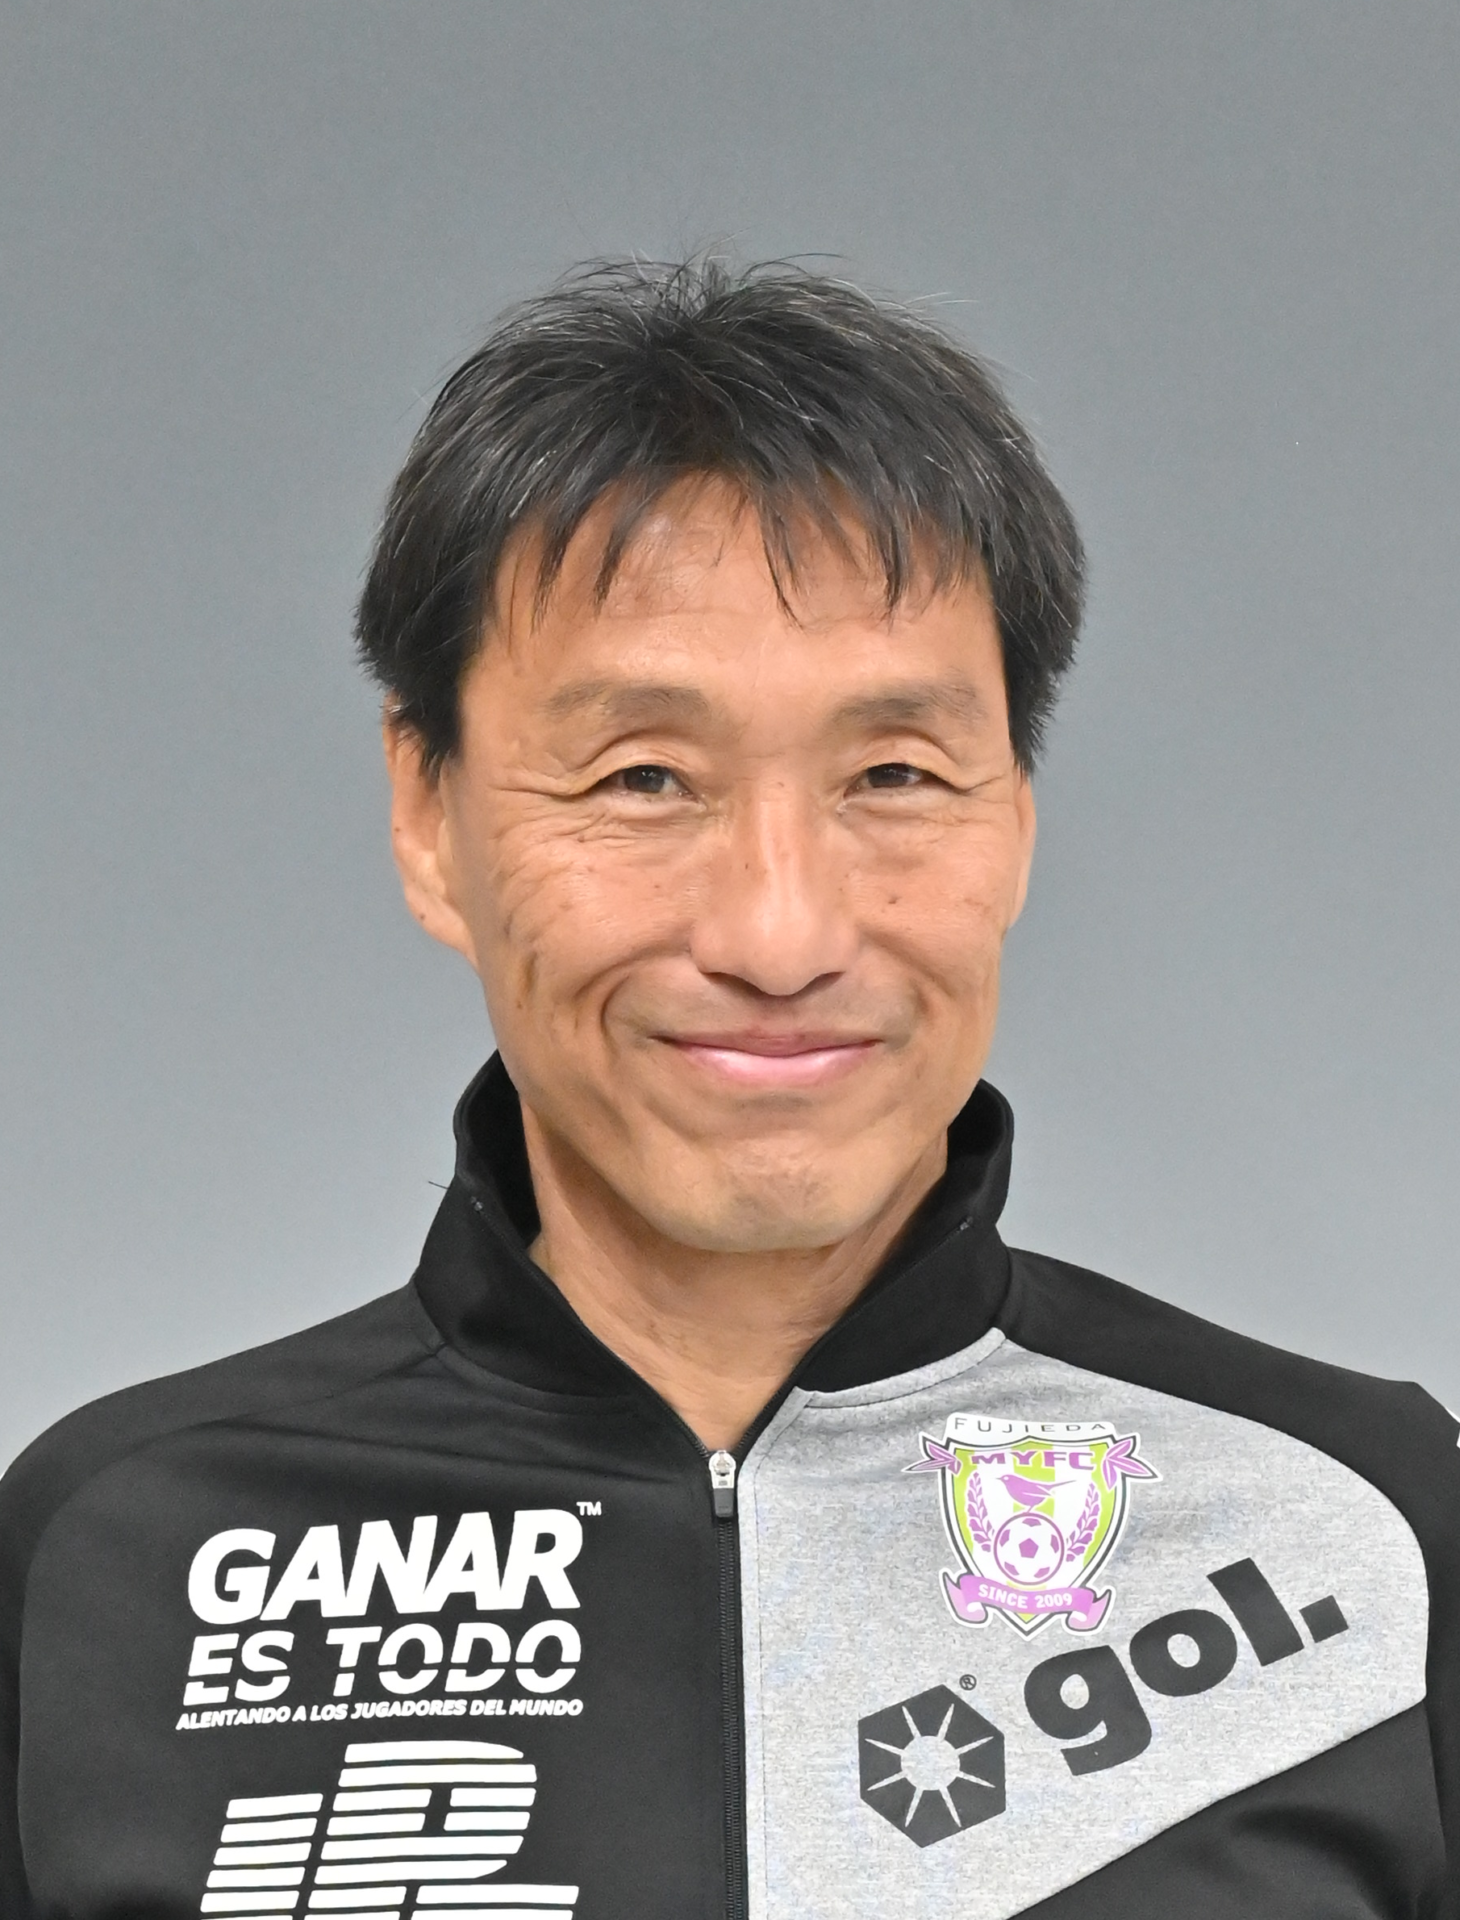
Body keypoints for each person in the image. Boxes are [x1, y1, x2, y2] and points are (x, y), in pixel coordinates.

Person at [1, 258, 1454, 1920]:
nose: (781, 933)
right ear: (427, 814)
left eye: (895, 773)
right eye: (643, 778)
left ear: (1017, 816)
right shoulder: (114, 1551)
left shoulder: (1363, 1524)